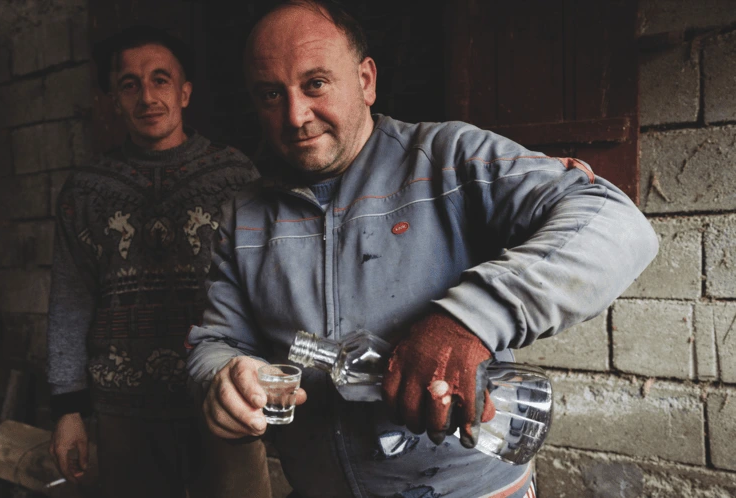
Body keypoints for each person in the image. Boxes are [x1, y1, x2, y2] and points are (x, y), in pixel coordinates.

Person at [185, 1, 659, 497]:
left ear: (366, 80)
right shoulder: (243, 215)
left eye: (315, 84)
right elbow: (216, 342)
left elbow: (616, 223)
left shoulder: (451, 161)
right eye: (270, 94)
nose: (295, 114)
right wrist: (222, 375)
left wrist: (468, 319)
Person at [46, 25, 272, 498]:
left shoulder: (236, 175)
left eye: (160, 80)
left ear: (185, 92)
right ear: (113, 99)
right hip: (124, 411)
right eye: (129, 84)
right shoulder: (85, 190)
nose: (146, 96)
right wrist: (68, 410)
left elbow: (267, 287)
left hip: (220, 397)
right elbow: (70, 299)